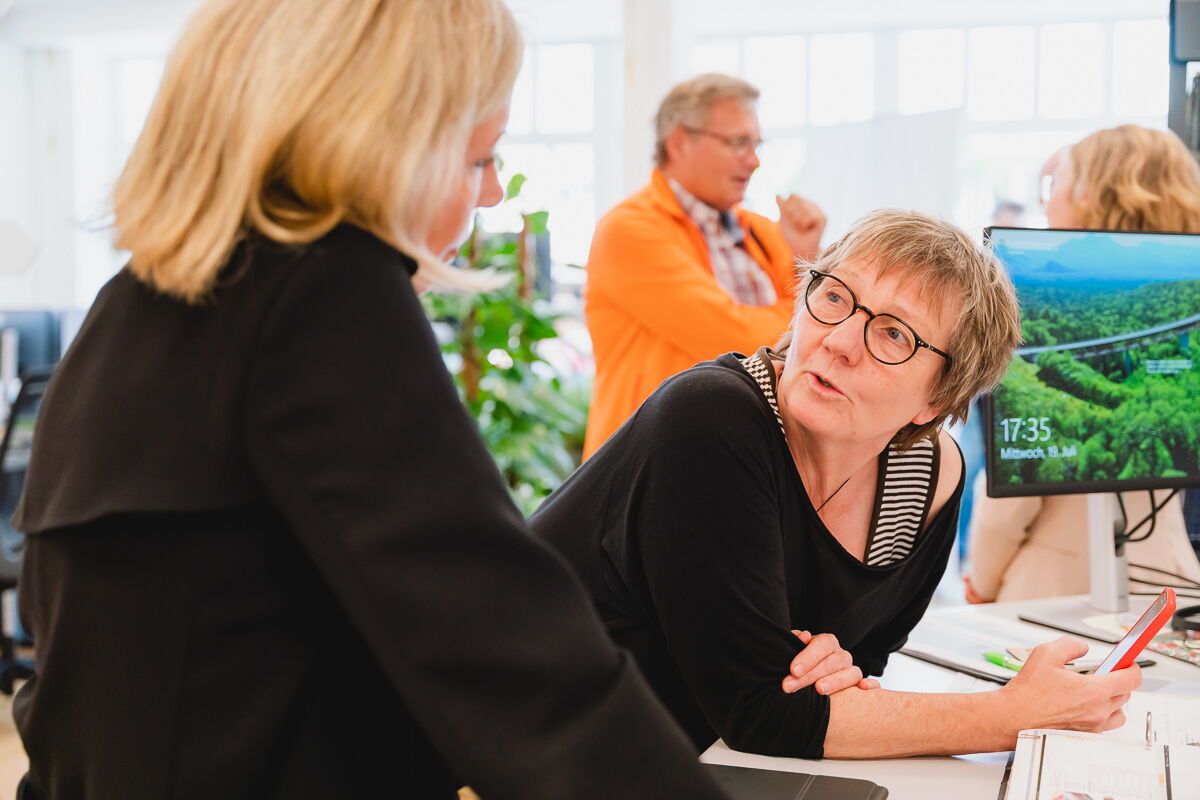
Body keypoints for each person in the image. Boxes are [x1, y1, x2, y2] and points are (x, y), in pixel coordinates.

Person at [10, 2, 736, 798]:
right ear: (380, 145)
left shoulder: (135, 308)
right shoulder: (322, 292)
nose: (491, 194)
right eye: (477, 159)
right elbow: (508, 647)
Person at [532, 209, 1140, 759]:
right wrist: (1013, 715)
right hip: (523, 754)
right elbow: (763, 713)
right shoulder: (711, 418)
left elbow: (853, 673)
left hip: (691, 761)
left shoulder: (926, 480)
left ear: (937, 398)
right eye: (834, 297)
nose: (841, 341)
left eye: (895, 334)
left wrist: (827, 678)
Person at [964, 124, 1200, 604]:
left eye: (1056, 186)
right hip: (1172, 578)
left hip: (1056, 591)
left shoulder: (1039, 296)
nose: (1048, 205)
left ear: (1090, 193)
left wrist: (982, 578)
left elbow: (1021, 479)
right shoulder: (1181, 300)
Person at [583, 73, 826, 457]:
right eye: (738, 143)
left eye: (757, 144)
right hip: (654, 458)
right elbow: (735, 343)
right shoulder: (628, 231)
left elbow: (807, 332)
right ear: (679, 141)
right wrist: (818, 321)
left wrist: (805, 258)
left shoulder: (767, 231)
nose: (755, 160)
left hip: (748, 453)